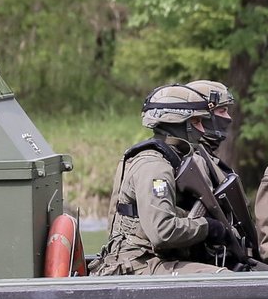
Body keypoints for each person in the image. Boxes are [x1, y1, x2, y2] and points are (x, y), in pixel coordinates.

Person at [90, 85, 239, 276]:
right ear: (178, 122)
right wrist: (208, 227)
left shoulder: (170, 159)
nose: (202, 129)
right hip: (138, 264)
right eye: (196, 122)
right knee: (224, 279)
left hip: (155, 259)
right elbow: (162, 232)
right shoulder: (154, 166)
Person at [187, 78, 263, 262]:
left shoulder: (207, 159)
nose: (228, 118)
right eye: (221, 111)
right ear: (204, 116)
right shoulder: (191, 160)